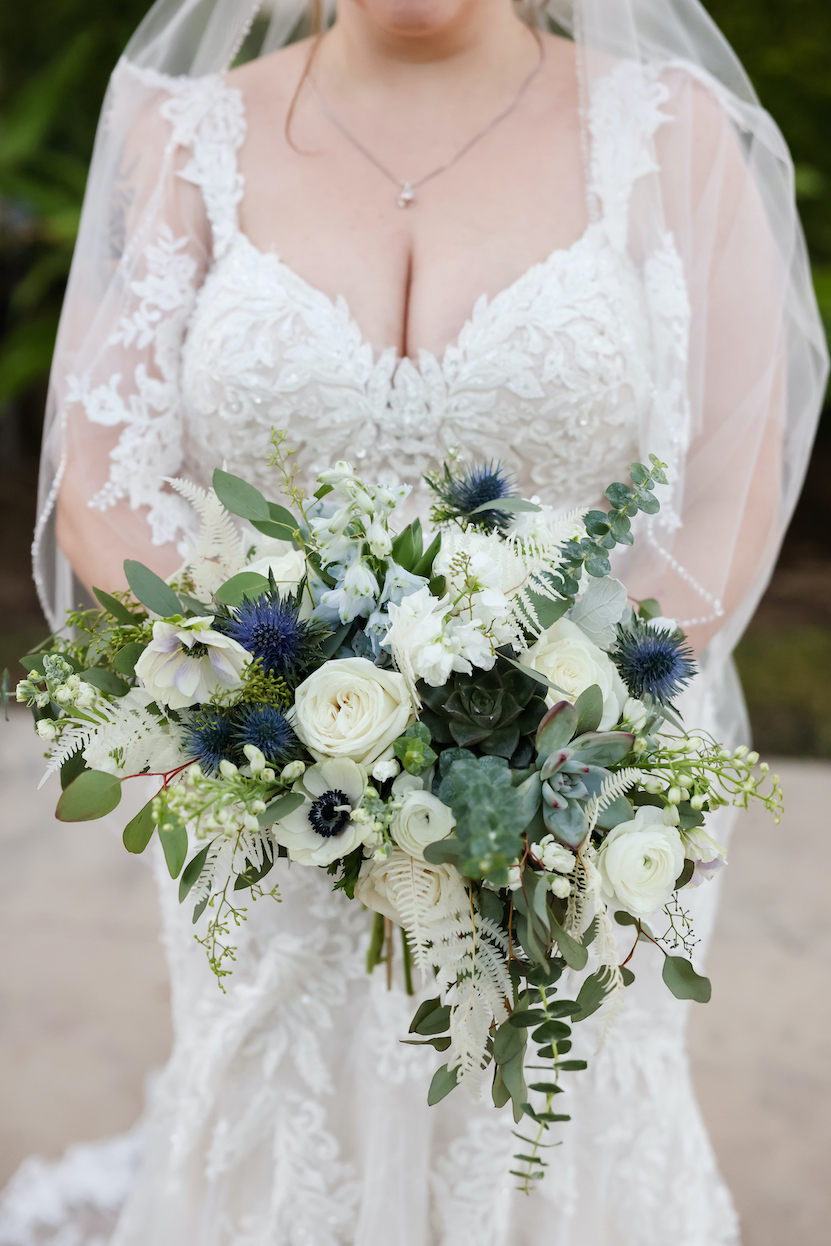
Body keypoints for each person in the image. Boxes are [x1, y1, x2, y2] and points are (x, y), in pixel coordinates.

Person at [5, 0, 825, 1243]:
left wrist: (563, 725)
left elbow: (729, 478)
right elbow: (104, 472)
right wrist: (263, 710)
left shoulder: (676, 136)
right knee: (283, 1112)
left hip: (576, 786)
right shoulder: (185, 135)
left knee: (547, 1125)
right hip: (268, 789)